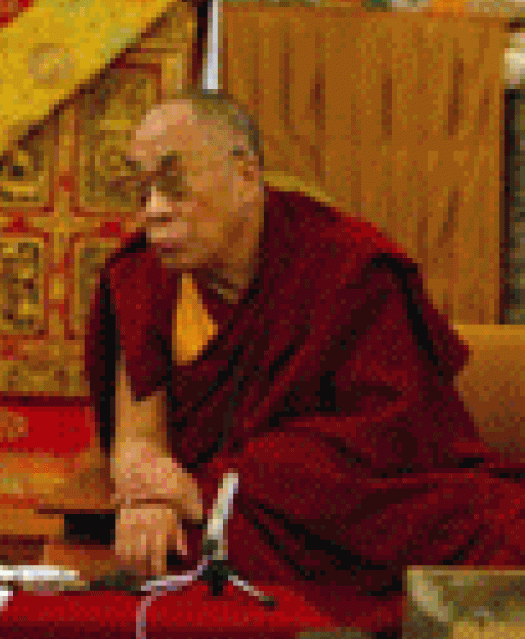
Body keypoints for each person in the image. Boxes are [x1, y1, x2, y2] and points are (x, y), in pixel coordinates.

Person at [87, 89, 525, 601]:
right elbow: (138, 438)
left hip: (356, 504)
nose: (153, 213)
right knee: (179, 546)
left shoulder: (348, 265)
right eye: (142, 192)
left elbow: (391, 437)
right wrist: (148, 495)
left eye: (174, 188)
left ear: (247, 177)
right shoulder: (143, 279)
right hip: (238, 517)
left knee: (499, 531)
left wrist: (224, 482)